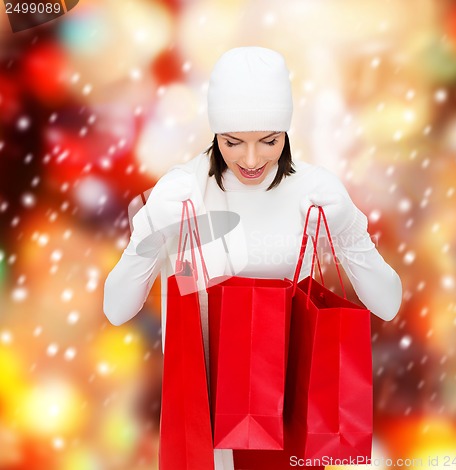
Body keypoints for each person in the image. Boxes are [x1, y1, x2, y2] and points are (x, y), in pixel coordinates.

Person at [103, 46, 403, 470]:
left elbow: (388, 303)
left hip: (293, 419)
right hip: (204, 426)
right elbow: (116, 309)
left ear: (286, 131)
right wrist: (148, 235)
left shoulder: (315, 192)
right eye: (232, 141)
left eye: (268, 140)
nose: (250, 159)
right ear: (214, 132)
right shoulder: (182, 191)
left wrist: (350, 230)